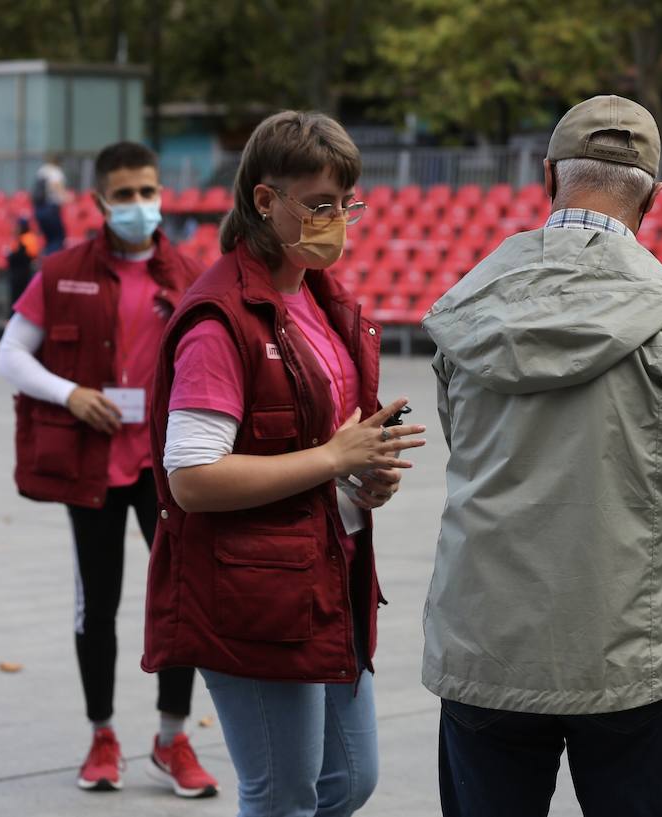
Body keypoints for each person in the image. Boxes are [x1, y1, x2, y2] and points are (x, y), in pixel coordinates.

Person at [422, 94, 662, 816]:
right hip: (628, 650)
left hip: (487, 643)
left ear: (546, 176)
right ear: (654, 196)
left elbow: (464, 444)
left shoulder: (468, 307)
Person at [142, 110, 425, 817]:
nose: (339, 220)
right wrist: (332, 456)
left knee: (349, 779)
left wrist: (364, 474)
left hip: (328, 570)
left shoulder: (325, 304)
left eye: (346, 204)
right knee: (281, 795)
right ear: (266, 202)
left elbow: (324, 451)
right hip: (253, 590)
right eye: (321, 205)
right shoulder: (220, 318)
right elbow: (193, 480)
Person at [0, 141, 217, 797]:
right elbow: (11, 354)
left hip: (169, 465)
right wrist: (68, 392)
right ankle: (102, 733)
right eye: (124, 195)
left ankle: (172, 736)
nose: (139, 206)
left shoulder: (190, 273)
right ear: (98, 203)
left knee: (182, 598)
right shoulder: (61, 271)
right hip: (91, 463)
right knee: (99, 603)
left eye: (147, 192)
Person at [33, 155, 69, 254]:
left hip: (39, 209)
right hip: (50, 208)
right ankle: (53, 261)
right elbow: (56, 185)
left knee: (48, 239)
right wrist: (66, 197)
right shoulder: (55, 172)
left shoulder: (42, 170)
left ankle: (46, 261)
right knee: (57, 238)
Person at [5, 216, 40, 308]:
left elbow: (30, 256)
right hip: (16, 272)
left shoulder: (28, 238)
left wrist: (13, 255)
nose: (16, 228)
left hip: (23, 273)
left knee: (21, 296)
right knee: (14, 297)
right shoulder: (19, 238)